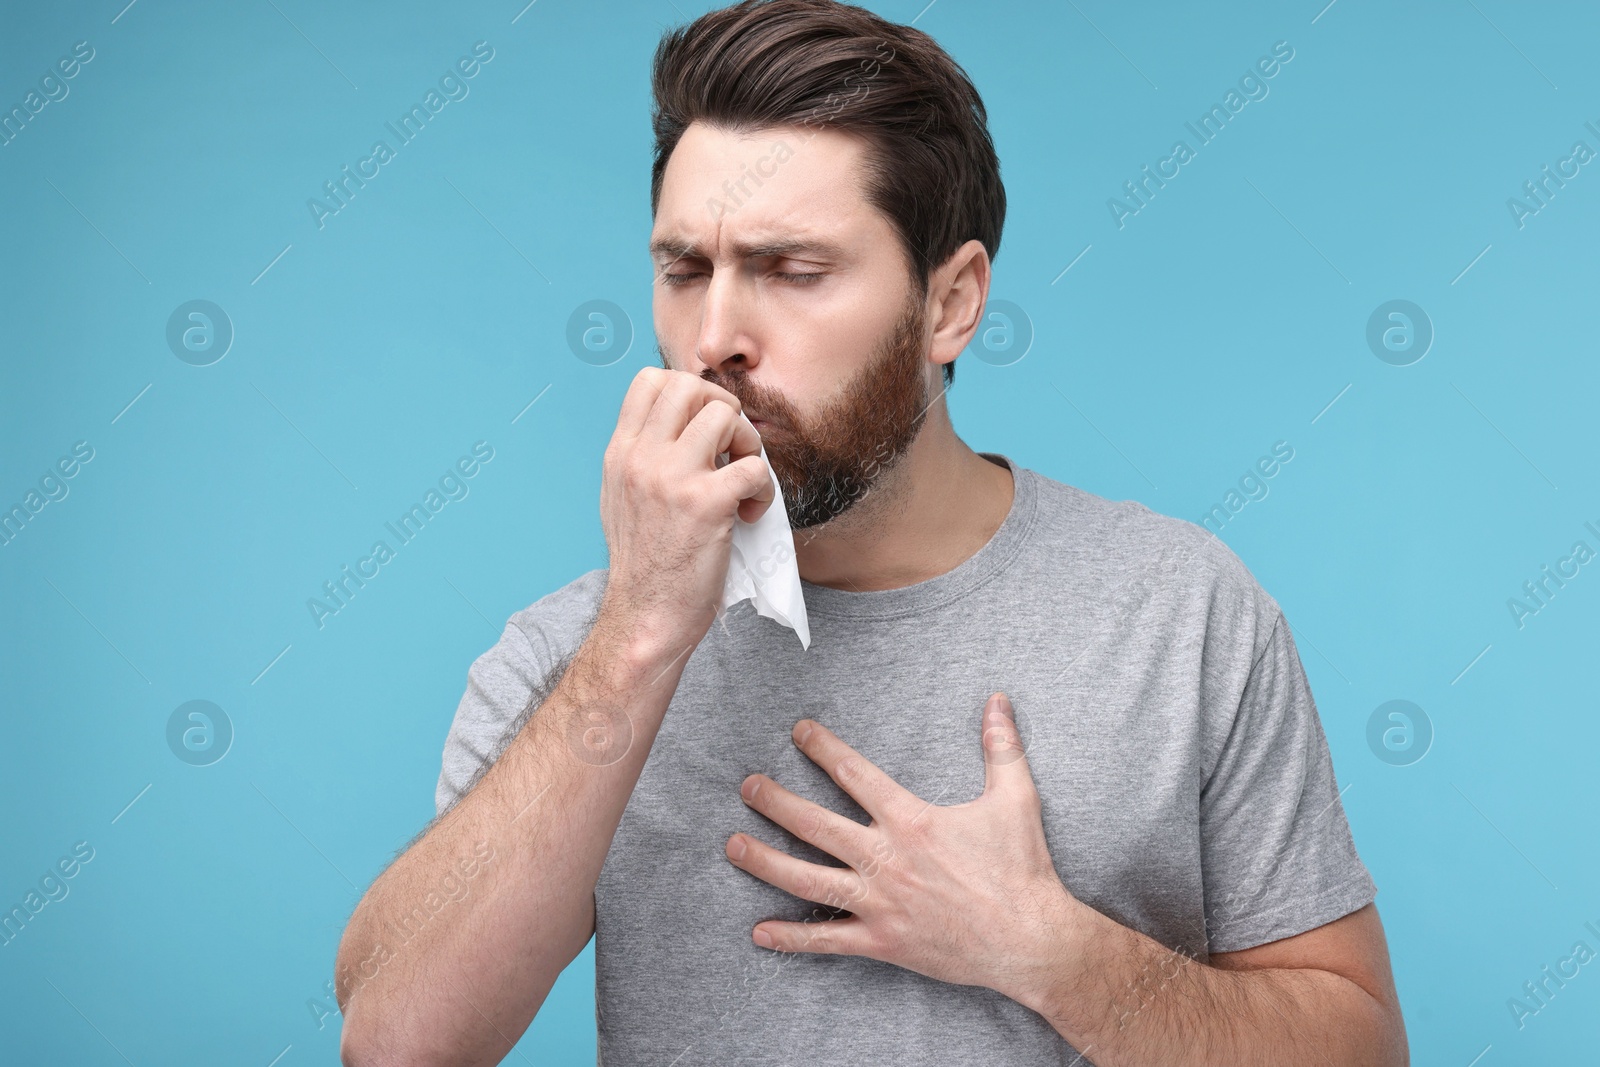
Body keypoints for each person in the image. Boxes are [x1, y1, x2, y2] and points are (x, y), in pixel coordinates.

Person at [334, 2, 1407, 1064]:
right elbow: (395, 1041)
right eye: (683, 271)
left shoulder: (1179, 610)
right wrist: (639, 636)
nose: (715, 339)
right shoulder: (578, 652)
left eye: (794, 271)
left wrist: (1051, 951)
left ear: (951, 303)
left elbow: (1363, 1050)